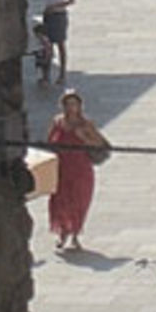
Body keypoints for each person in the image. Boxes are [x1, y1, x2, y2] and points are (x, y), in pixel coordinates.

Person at [47, 89, 107, 251]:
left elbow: (101, 144)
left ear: (79, 105)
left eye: (74, 104)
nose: (71, 107)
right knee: (59, 202)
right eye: (67, 104)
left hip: (80, 168)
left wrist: (84, 137)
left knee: (78, 201)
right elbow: (50, 141)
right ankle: (62, 233)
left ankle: (74, 234)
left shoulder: (86, 124)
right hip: (61, 168)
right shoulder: (57, 122)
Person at [29, 0, 74, 82]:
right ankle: (46, 75)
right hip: (47, 15)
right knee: (46, 45)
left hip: (59, 14)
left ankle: (62, 74)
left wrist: (55, 6)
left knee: (60, 44)